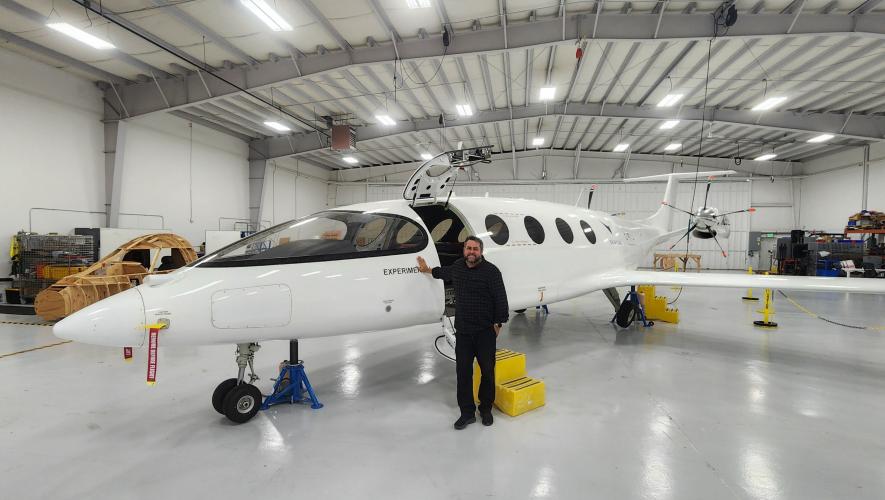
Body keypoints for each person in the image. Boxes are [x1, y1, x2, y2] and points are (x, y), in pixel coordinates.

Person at [417, 236, 509, 430]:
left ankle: (485, 409)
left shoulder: (492, 272)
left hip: (485, 332)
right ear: (464, 250)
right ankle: (467, 413)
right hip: (464, 333)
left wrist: (498, 324)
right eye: (468, 248)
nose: (471, 252)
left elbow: (501, 300)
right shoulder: (458, 267)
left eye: (475, 248)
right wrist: (427, 270)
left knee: (487, 373)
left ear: (481, 251)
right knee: (463, 373)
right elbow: (442, 272)